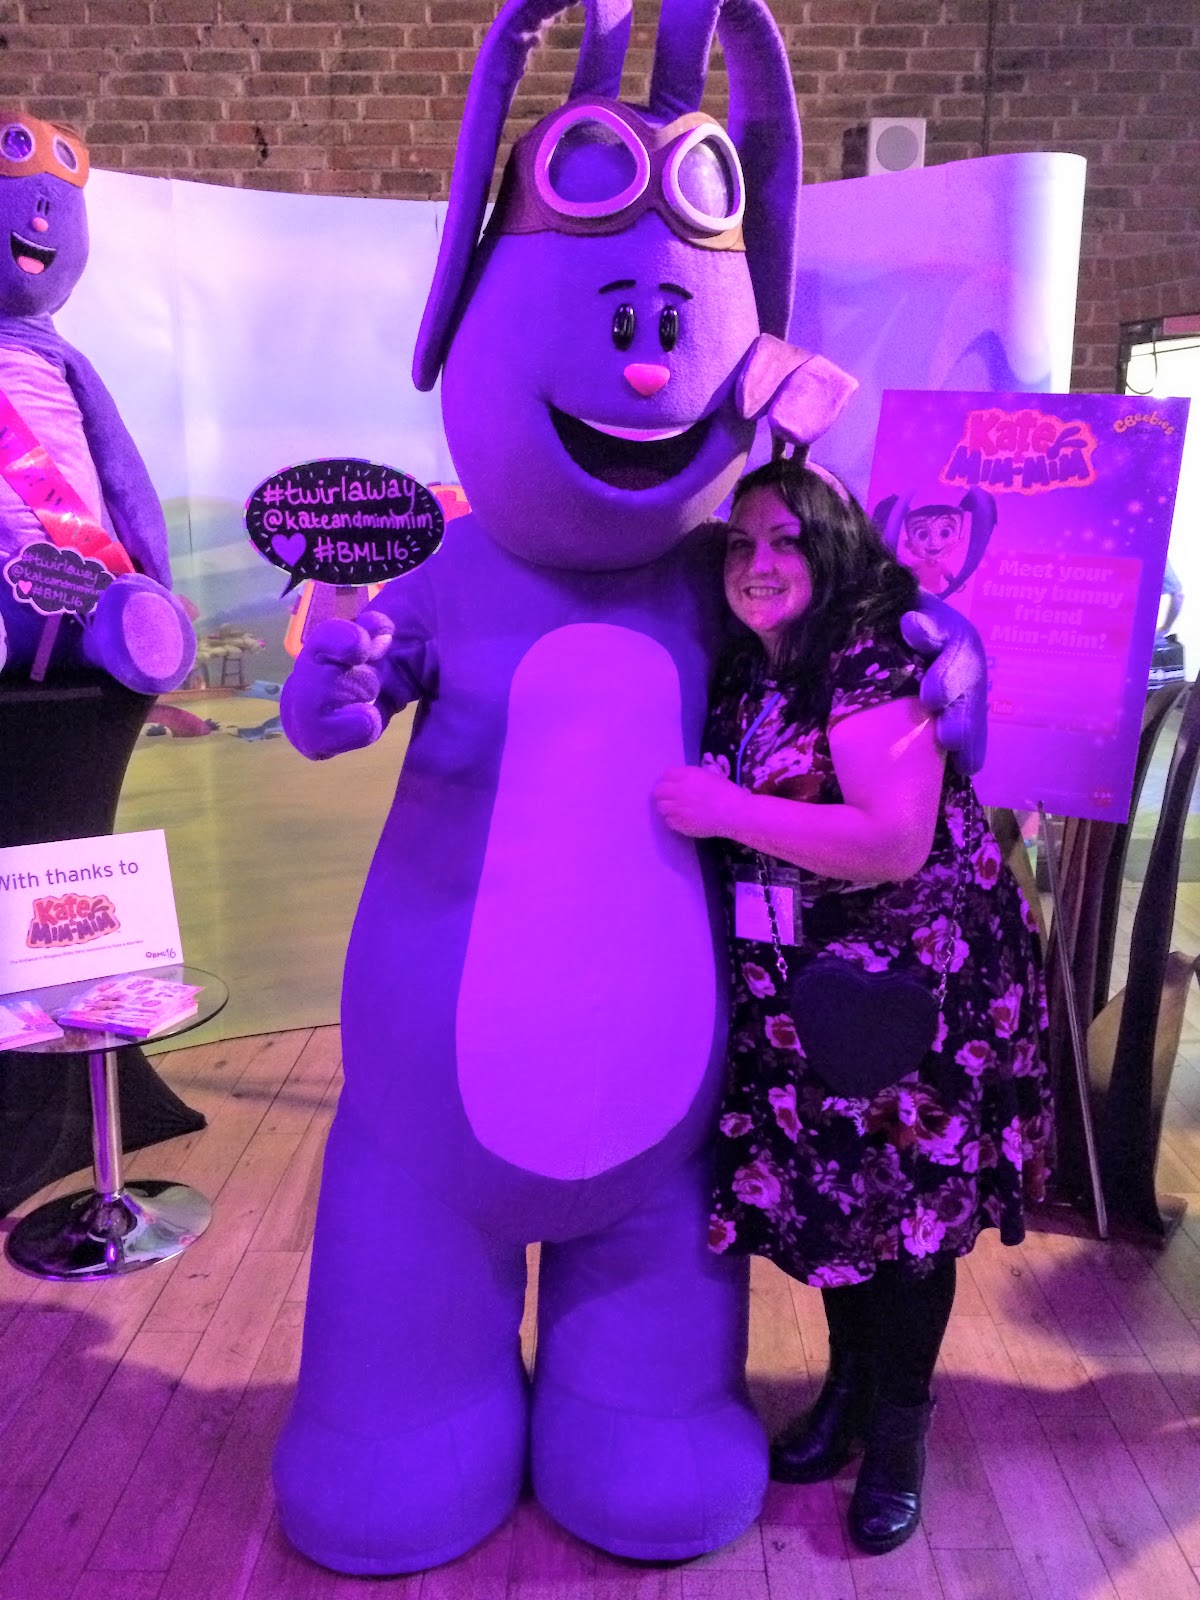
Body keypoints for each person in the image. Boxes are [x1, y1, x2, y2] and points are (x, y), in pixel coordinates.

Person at [653, 453, 1053, 1556]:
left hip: (907, 993)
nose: (758, 561)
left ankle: (901, 1430)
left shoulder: (872, 658)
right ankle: (847, 1393)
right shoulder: (756, 664)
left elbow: (892, 839)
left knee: (906, 1215)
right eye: (741, 543)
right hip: (808, 992)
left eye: (786, 540)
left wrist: (725, 810)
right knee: (839, 1200)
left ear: (832, 550)